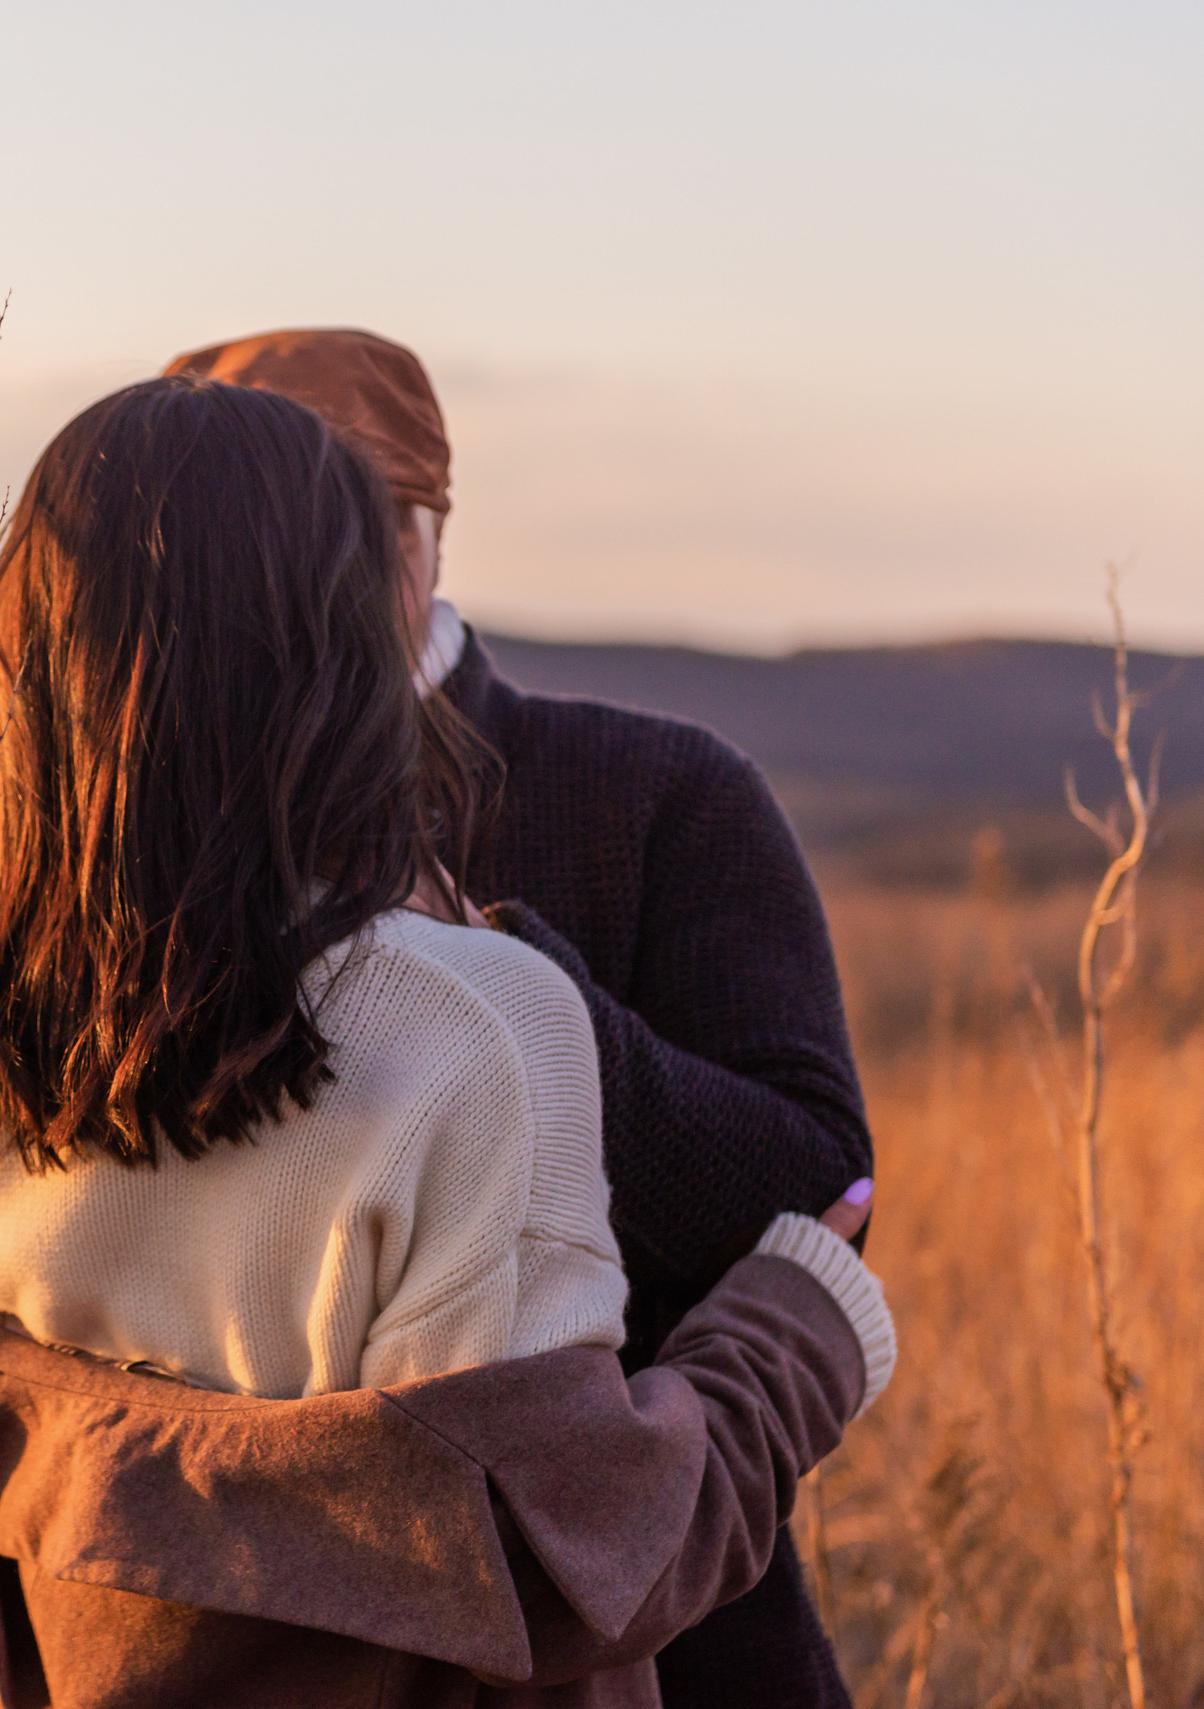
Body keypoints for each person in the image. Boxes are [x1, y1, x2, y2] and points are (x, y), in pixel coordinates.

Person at [0, 373, 894, 1705]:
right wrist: (795, 1332)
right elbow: (577, 1561)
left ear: (27, 655)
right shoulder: (475, 1036)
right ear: (344, 654)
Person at [153, 328, 877, 1705]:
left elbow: (823, 1190)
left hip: (652, 1627)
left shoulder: (660, 790)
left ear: (424, 532)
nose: (296, 584)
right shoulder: (132, 834)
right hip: (219, 1629)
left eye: (341, 528)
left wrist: (523, 998)